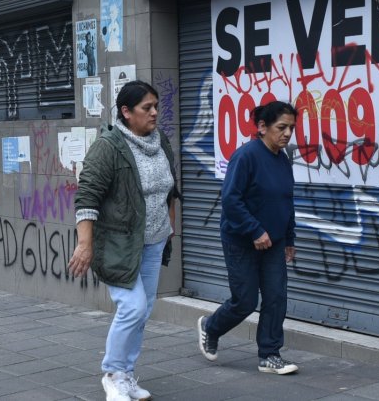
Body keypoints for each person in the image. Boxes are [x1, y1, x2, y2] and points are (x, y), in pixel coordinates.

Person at [69, 80, 180, 401]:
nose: (155, 113)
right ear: (126, 112)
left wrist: (169, 226)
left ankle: (126, 375)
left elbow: (169, 187)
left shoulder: (161, 143)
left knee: (142, 313)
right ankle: (113, 373)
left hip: (154, 242)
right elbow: (87, 195)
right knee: (132, 308)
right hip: (118, 244)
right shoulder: (109, 147)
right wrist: (85, 243)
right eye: (147, 108)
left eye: (156, 106)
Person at [197, 100, 299, 375]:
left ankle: (270, 354)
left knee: (276, 297)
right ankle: (210, 326)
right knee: (244, 301)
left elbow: (286, 201)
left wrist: (289, 238)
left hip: (274, 242)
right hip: (241, 241)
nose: (288, 133)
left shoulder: (283, 159)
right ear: (262, 127)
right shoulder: (246, 156)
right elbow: (231, 200)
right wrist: (255, 230)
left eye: (291, 127)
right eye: (282, 127)